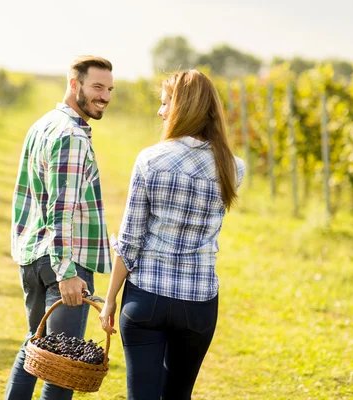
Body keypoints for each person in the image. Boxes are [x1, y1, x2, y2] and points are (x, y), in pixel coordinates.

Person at [99, 69, 245, 399]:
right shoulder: (233, 168)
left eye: (165, 103)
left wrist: (110, 300)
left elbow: (131, 240)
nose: (160, 111)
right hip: (199, 303)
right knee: (179, 394)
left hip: (146, 297)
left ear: (183, 108)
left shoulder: (151, 160)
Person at [5, 55, 114, 400]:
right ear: (74, 84)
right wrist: (66, 271)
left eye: (109, 89)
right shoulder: (71, 135)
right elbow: (61, 210)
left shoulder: (45, 124)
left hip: (34, 256)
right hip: (62, 262)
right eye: (97, 86)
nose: (105, 96)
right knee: (62, 365)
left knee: (36, 348)